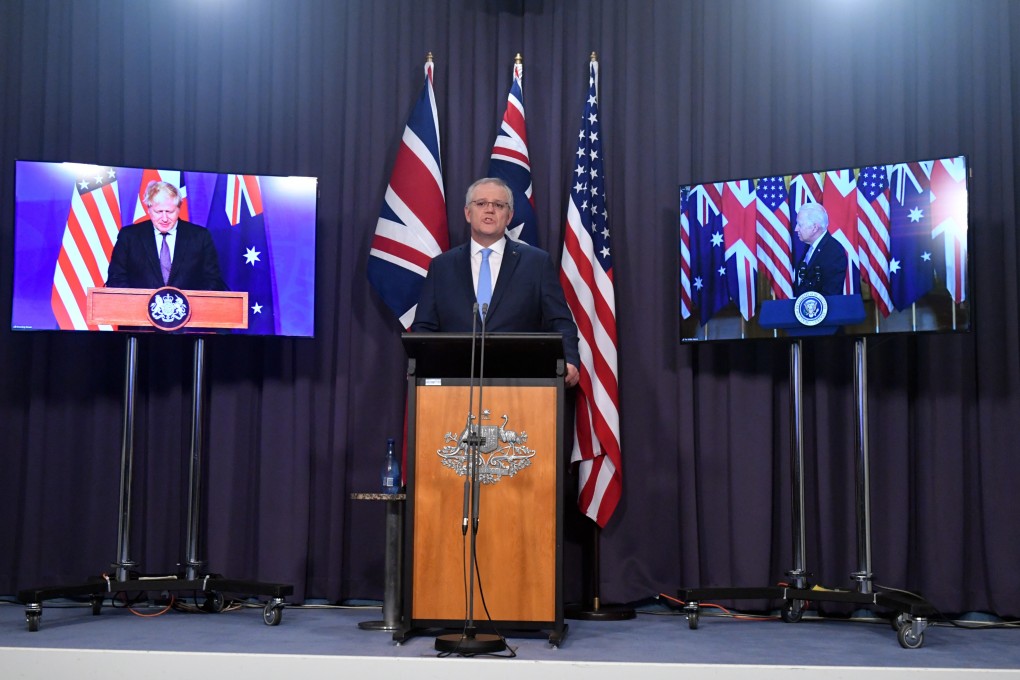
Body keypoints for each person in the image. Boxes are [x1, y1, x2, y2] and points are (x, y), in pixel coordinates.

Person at [412, 177, 580, 387]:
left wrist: (570, 359)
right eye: (481, 203)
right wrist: (423, 366)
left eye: (498, 205)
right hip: (455, 384)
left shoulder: (536, 263)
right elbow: (424, 327)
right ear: (467, 213)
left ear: (509, 216)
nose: (489, 210)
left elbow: (560, 321)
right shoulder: (442, 266)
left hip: (521, 383)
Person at [106, 181, 226, 291]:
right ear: (149, 209)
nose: (164, 218)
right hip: (138, 312)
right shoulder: (129, 237)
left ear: (178, 209)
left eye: (169, 212)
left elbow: (212, 280)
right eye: (158, 212)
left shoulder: (200, 237)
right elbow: (116, 278)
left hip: (190, 311)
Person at [792, 202, 847, 296]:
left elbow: (830, 293)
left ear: (814, 228)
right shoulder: (809, 245)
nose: (796, 229)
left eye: (800, 225)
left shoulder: (833, 251)